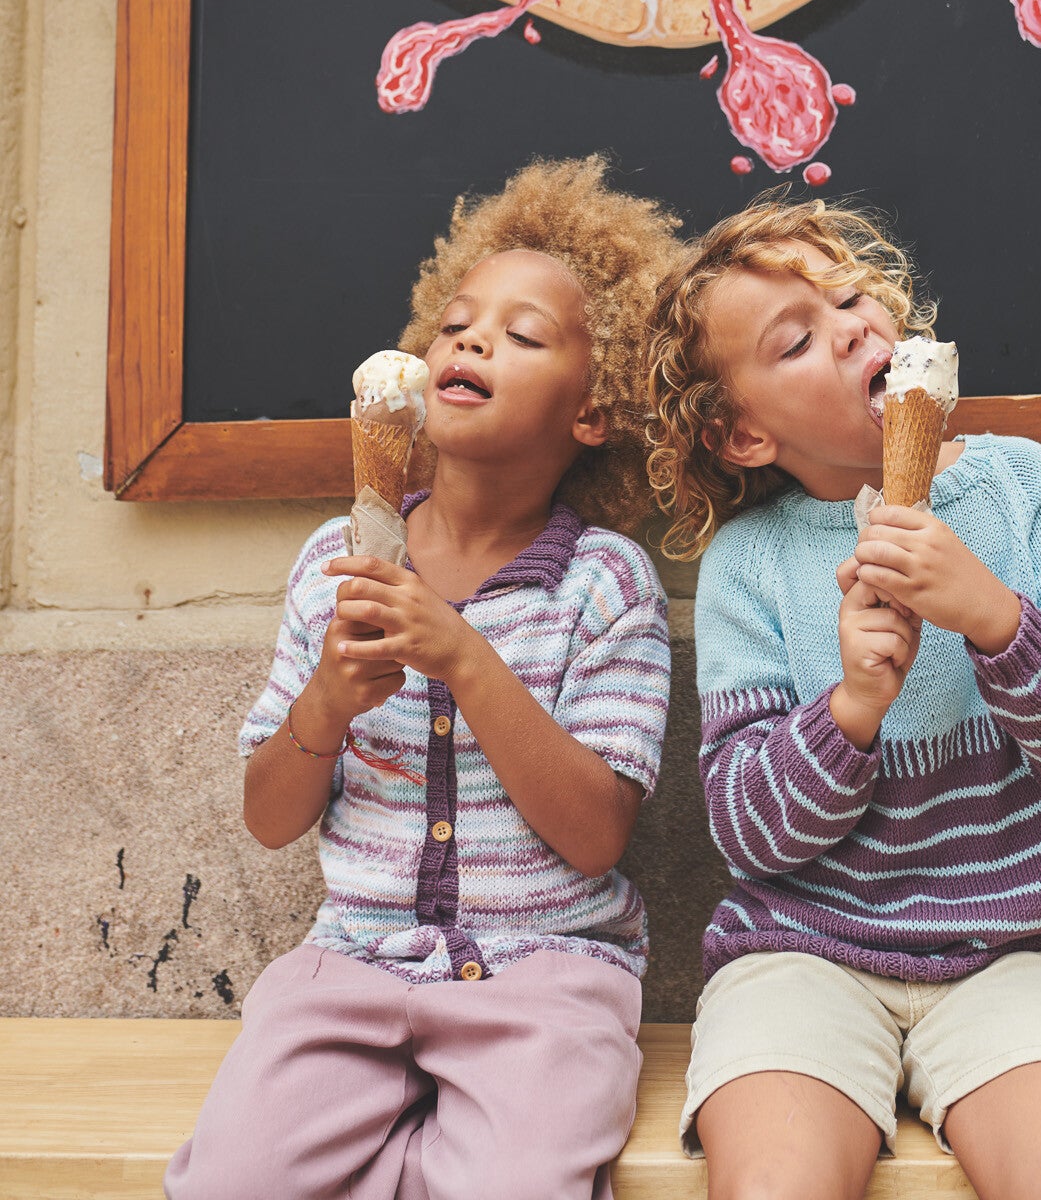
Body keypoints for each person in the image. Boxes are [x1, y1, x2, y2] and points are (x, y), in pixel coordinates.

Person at [167, 157, 682, 1200]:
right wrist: (324, 704)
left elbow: (596, 835)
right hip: (351, 962)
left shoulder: (605, 583)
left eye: (523, 335)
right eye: (455, 324)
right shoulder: (336, 562)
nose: (472, 340)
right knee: (230, 1180)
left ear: (593, 411)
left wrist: (463, 656)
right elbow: (269, 817)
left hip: (546, 975)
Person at [646, 194, 1041, 1200]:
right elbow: (747, 831)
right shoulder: (750, 560)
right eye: (796, 340)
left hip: (1010, 949)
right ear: (741, 433)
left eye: (850, 297)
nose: (849, 327)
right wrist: (850, 709)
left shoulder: (1019, 486)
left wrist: (995, 618)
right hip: (799, 955)